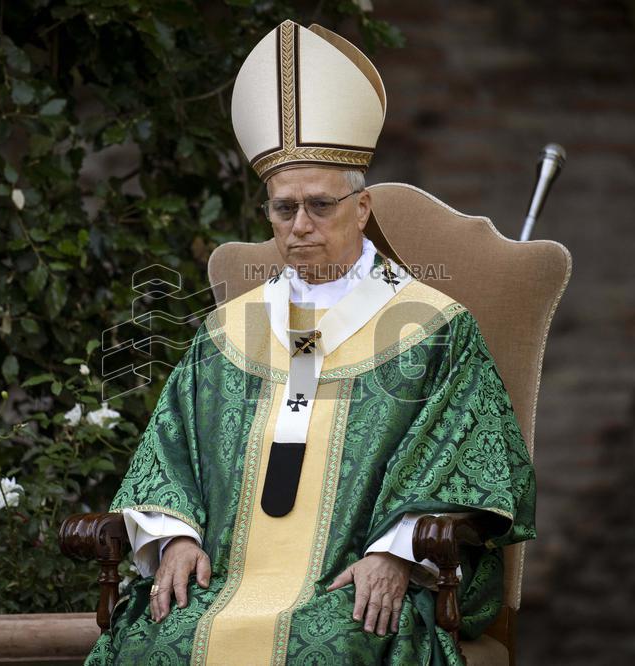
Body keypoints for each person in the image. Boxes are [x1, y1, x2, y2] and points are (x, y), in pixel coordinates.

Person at [84, 19, 535, 666]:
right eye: (282, 208)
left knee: (328, 650)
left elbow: (473, 462)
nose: (299, 227)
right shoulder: (226, 336)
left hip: (353, 590)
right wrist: (174, 539)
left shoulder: (432, 329)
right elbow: (170, 454)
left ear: (362, 208)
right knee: (158, 639)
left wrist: (396, 554)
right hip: (223, 585)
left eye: (320, 206)